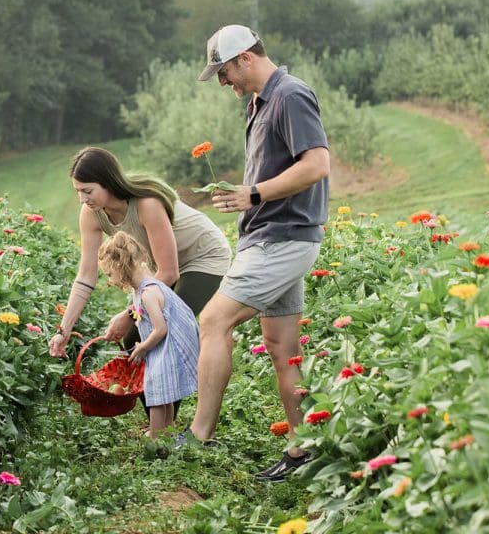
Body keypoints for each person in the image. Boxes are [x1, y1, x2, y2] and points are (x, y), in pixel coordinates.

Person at [177, 24, 330, 484]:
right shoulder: (261, 103)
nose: (223, 83)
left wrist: (255, 194)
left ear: (244, 57)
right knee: (284, 349)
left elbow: (317, 164)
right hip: (270, 235)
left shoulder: (290, 96)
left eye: (223, 72)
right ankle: (305, 452)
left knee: (213, 320)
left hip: (283, 238)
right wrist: (249, 200)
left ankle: (198, 435)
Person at [48, 147, 230, 360]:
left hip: (203, 257)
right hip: (162, 265)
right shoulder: (91, 214)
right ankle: (150, 391)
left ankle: (180, 382)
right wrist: (64, 330)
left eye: (87, 191)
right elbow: (86, 276)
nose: (82, 199)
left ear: (108, 182)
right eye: (78, 191)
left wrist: (129, 314)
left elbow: (169, 273)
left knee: (165, 326)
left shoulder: (146, 204)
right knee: (134, 338)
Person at [97, 232, 199, 434]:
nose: (110, 280)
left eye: (110, 274)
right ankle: (167, 431)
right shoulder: (142, 290)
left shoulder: (147, 293)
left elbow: (161, 329)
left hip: (165, 349)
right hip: (163, 349)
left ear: (120, 266)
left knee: (156, 394)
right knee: (165, 395)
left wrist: (142, 347)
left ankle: (155, 435)